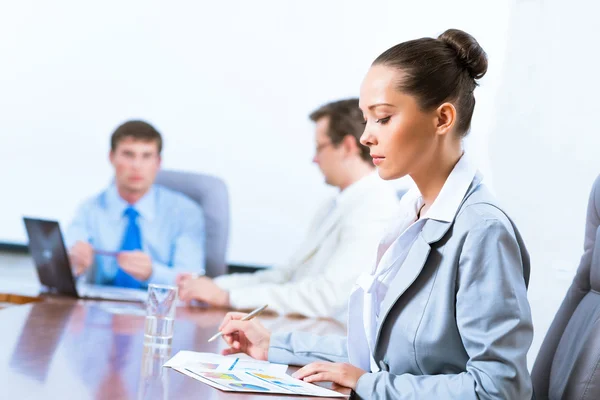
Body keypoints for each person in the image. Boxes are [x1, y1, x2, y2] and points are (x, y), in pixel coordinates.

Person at [215, 29, 534, 399]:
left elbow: (499, 389)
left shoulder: (481, 230)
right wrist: (275, 346)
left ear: (443, 118)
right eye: (366, 119)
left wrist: (368, 385)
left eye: (382, 118)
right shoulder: (412, 212)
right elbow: (386, 355)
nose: (366, 136)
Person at [177, 99, 400, 320]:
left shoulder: (375, 206)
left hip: (329, 337)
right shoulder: (335, 204)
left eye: (319, 147)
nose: (314, 159)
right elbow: (288, 275)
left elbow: (327, 297)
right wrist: (214, 287)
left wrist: (227, 297)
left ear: (347, 147)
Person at [65, 120, 206, 288]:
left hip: (160, 308)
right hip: (99, 308)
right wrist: (74, 263)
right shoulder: (89, 209)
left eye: (146, 156)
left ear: (158, 162)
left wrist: (153, 273)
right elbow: (70, 264)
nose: (136, 166)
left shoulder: (186, 213)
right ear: (112, 157)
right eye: (128, 154)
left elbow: (190, 281)